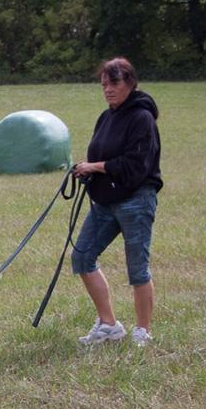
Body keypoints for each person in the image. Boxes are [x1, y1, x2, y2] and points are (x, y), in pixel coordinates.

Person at [71, 57, 162, 347]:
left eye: (114, 83)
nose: (108, 89)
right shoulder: (107, 116)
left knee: (137, 268)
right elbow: (104, 155)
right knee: (82, 256)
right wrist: (86, 168)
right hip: (106, 201)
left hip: (136, 200)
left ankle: (143, 331)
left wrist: (95, 167)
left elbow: (135, 164)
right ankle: (109, 324)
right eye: (104, 84)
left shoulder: (141, 117)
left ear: (130, 82)